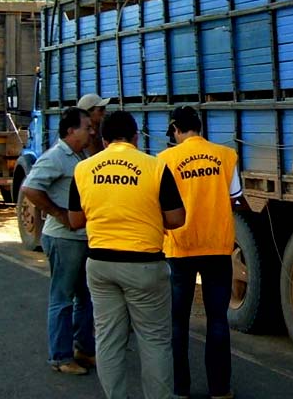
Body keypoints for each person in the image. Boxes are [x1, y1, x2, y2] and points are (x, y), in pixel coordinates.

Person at [68, 110, 186, 399]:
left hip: (100, 264)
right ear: (135, 136)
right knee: (154, 341)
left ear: (104, 138)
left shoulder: (83, 169)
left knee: (108, 339)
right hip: (144, 265)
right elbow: (176, 219)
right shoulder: (155, 167)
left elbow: (74, 220)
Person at [159, 106, 243, 399]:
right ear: (199, 127)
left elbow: (162, 205)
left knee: (178, 321)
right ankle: (219, 389)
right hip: (217, 246)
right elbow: (236, 199)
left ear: (175, 129)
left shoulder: (165, 160)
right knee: (217, 320)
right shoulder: (225, 155)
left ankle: (180, 389)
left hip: (179, 247)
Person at [21, 106, 96, 376]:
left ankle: (83, 349)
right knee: (62, 298)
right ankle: (60, 357)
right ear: (70, 130)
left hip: (80, 237)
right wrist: (58, 213)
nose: (91, 132)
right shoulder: (56, 157)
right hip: (64, 238)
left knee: (85, 297)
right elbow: (30, 188)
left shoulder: (79, 155)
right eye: (86, 127)